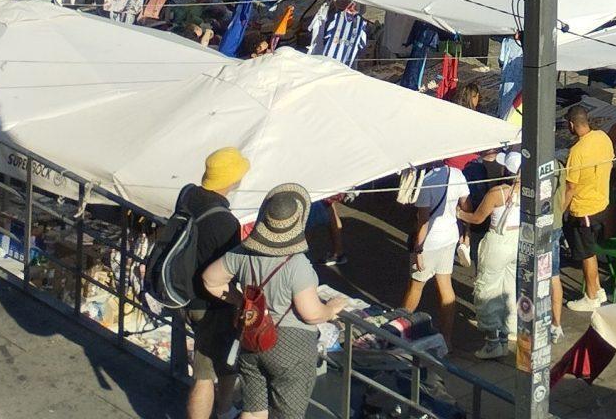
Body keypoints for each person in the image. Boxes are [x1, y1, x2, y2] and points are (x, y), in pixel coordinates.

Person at [203, 183, 360, 419]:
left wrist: (241, 301)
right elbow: (311, 313)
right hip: (290, 347)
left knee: (254, 410)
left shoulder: (242, 252)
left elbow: (210, 280)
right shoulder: (297, 265)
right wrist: (331, 309)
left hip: (251, 336)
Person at [173, 148, 250, 419]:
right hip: (209, 304)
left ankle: (224, 409)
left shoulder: (188, 195)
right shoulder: (225, 222)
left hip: (183, 293)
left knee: (228, 363)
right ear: (232, 179)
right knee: (205, 375)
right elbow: (233, 269)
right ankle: (220, 409)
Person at [457, 159, 521, 361]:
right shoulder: (529, 189)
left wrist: (459, 213)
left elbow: (477, 218)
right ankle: (508, 331)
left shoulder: (497, 193)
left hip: (498, 241)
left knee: (488, 289)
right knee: (509, 287)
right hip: (517, 241)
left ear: (504, 170)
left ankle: (493, 341)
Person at [399, 159, 468, 344]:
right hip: (450, 236)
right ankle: (447, 338)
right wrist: (464, 231)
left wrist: (418, 249)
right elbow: (465, 204)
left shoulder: (427, 181)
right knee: (446, 287)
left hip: (429, 242)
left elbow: (423, 220)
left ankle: (398, 329)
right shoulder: (457, 174)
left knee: (416, 286)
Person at [557, 104, 614, 311]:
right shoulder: (603, 138)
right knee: (590, 250)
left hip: (584, 209)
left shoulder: (577, 151)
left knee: (586, 254)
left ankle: (591, 296)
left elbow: (571, 187)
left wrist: (559, 211)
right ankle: (597, 289)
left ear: (572, 125)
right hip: (602, 204)